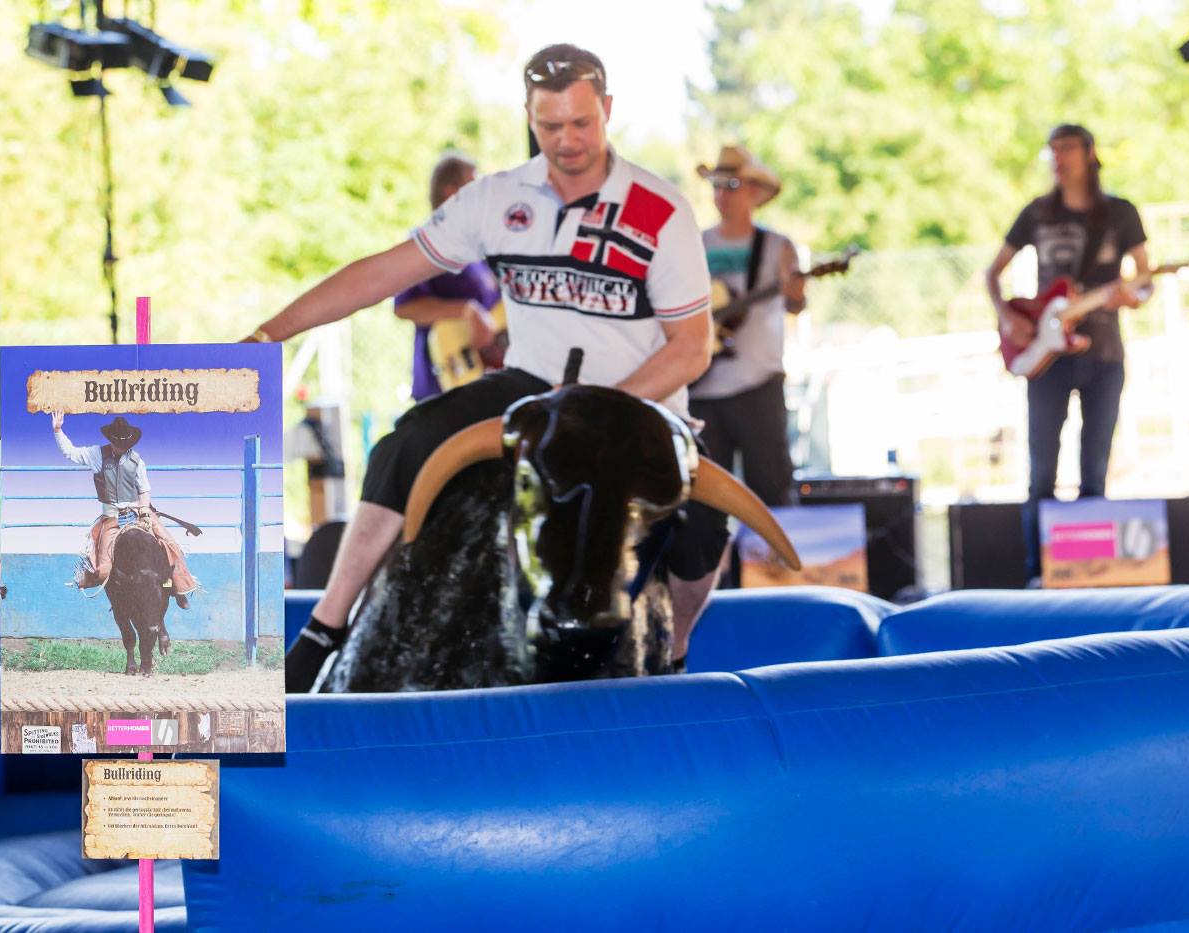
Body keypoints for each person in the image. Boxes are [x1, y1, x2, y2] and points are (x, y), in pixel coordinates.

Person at [246, 43, 726, 690]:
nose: (568, 141)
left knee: (705, 526)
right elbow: (384, 272)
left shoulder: (660, 209)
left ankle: (676, 649)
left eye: (581, 123)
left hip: (638, 399)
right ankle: (324, 629)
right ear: (529, 117)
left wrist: (594, 414)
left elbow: (691, 347)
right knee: (404, 444)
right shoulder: (498, 198)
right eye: (551, 125)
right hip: (530, 388)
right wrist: (269, 333)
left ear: (608, 110)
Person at [984, 123, 1150, 584]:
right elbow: (992, 272)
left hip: (1104, 353)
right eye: (1053, 149)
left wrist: (1131, 297)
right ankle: (1039, 574)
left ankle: (1087, 573)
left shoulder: (1120, 212)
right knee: (1042, 472)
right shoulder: (1037, 212)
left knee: (1095, 468)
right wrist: (1007, 315)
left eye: (1068, 148)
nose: (1059, 158)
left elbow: (1145, 279)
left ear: (1089, 153)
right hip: (1048, 357)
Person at [689, 144, 806, 508]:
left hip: (758, 383)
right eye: (717, 186)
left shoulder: (776, 246)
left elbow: (796, 304)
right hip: (703, 386)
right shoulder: (695, 243)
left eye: (732, 186)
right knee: (707, 500)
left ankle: (773, 549)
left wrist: (796, 292)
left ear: (754, 191)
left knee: (771, 488)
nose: (722, 195)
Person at [50, 412, 198, 606]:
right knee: (102, 568)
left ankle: (178, 588)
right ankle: (89, 579)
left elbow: (144, 489)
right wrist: (58, 430)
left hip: (138, 513)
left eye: (124, 445)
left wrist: (144, 512)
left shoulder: (137, 461)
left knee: (171, 546)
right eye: (117, 443)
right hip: (111, 518)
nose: (120, 448)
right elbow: (70, 452)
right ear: (111, 440)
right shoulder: (96, 455)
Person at [394, 153, 504, 401]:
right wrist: (468, 311)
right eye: (474, 185)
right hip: (443, 382)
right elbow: (405, 307)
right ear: (452, 192)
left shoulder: (478, 246)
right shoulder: (424, 243)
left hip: (486, 381)